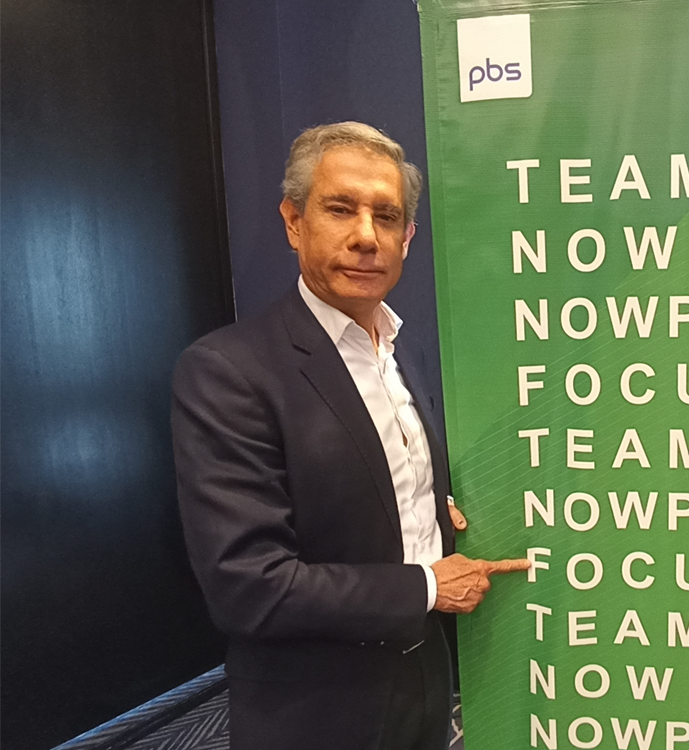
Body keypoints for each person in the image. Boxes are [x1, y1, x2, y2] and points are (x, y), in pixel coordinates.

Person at [171, 121, 529, 750]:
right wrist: (428, 586)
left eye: (386, 216)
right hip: (316, 708)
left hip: (425, 680)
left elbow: (373, 490)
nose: (367, 236)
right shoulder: (228, 371)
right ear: (294, 221)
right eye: (341, 209)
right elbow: (248, 586)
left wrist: (440, 511)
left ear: (407, 237)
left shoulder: (403, 351)